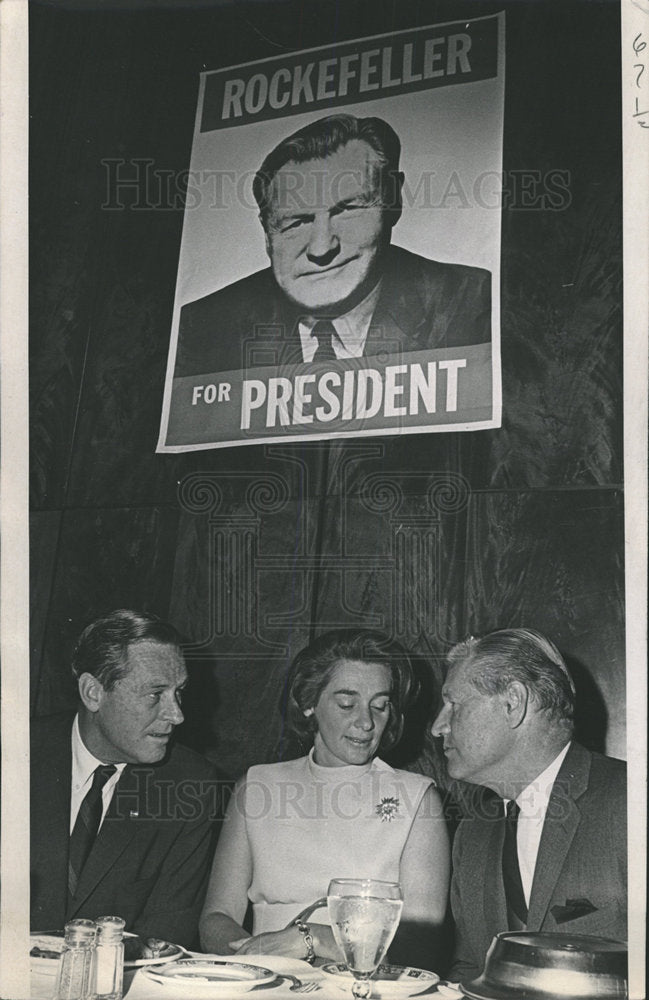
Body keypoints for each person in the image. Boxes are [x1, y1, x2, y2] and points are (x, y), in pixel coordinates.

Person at [200, 629, 450, 969]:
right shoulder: (256, 787)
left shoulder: (418, 799)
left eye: (380, 705)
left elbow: (420, 945)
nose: (366, 722)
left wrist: (313, 939)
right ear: (309, 704)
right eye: (347, 704)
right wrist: (259, 963)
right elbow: (216, 916)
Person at [174, 112, 491, 376]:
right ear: (267, 232)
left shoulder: (471, 302)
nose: (321, 249)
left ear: (392, 202)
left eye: (347, 210)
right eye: (297, 222)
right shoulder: (205, 327)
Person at [431, 628, 627, 984]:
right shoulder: (472, 835)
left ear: (513, 703)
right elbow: (470, 973)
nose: (437, 726)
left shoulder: (631, 803)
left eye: (454, 705)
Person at [30, 610, 220, 949]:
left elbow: (164, 939)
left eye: (179, 692)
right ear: (93, 693)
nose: (177, 714)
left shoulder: (189, 786)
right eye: (155, 694)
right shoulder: (17, 755)